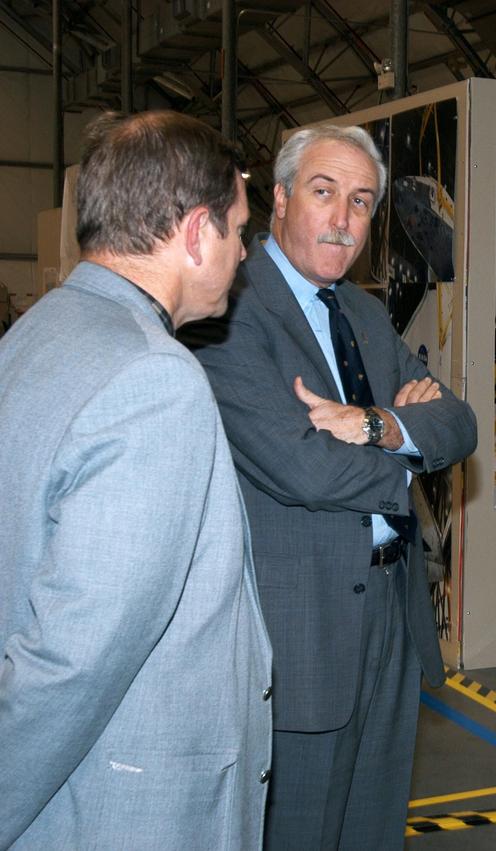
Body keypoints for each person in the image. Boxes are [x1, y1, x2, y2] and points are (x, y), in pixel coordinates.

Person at [183, 124, 477, 849]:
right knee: (299, 830)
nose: (345, 219)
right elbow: (302, 467)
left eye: (362, 202)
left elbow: (460, 422)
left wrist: (373, 424)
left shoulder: (364, 314)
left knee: (373, 828)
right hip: (300, 627)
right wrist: (407, 450)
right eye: (324, 193)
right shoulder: (231, 313)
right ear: (278, 200)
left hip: (390, 614)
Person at [0, 111, 272, 848]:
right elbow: (73, 659)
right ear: (193, 235)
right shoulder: (154, 380)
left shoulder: (38, 332)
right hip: (122, 811)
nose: (244, 254)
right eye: (238, 229)